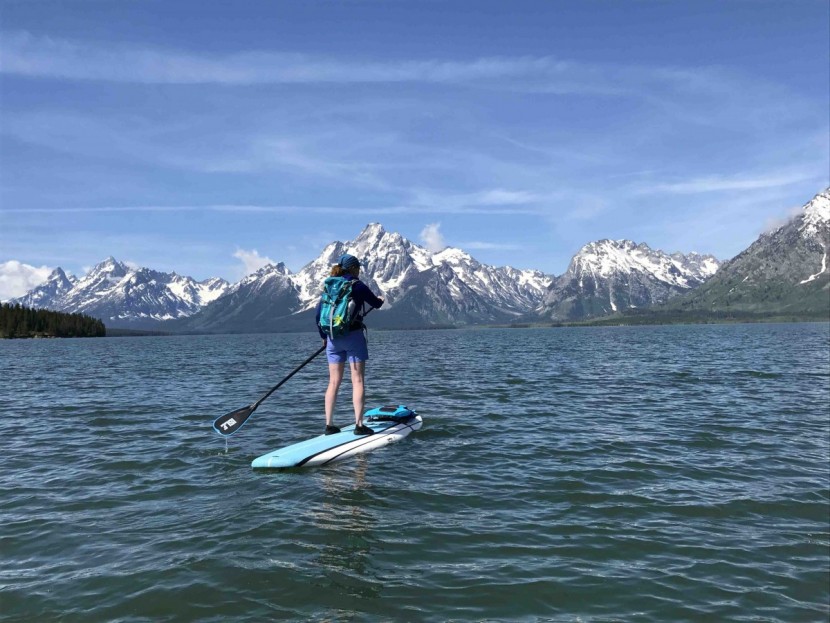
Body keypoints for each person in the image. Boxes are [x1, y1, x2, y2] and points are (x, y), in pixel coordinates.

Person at [315, 253, 384, 436]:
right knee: (358, 380)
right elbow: (375, 304)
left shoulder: (330, 285)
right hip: (353, 337)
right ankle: (359, 425)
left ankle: (329, 425)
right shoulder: (357, 285)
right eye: (358, 269)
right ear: (354, 269)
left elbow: (318, 313)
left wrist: (324, 335)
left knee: (333, 382)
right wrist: (380, 300)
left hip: (332, 339)